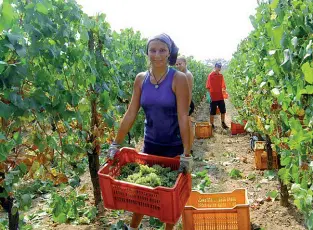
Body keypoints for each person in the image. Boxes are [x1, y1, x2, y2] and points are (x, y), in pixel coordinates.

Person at [107, 33, 193, 230]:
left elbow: (183, 117)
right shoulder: (141, 79)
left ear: (169, 53)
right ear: (147, 52)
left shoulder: (178, 79)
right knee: (142, 196)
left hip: (173, 148)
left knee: (169, 198)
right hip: (150, 146)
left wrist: (186, 154)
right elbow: (130, 114)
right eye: (152, 50)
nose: (157, 54)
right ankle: (133, 228)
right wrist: (115, 143)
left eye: (162, 50)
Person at [175, 56, 194, 152]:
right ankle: (187, 147)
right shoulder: (181, 74)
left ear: (185, 63)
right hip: (182, 103)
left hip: (187, 103)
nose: (178, 66)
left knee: (187, 125)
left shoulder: (187, 75)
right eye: (176, 64)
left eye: (180, 64)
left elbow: (189, 93)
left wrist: (186, 108)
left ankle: (189, 148)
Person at [206, 62, 229, 129]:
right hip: (213, 96)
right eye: (218, 67)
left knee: (223, 110)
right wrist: (208, 95)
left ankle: (223, 123)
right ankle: (212, 124)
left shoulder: (220, 76)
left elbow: (223, 86)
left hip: (220, 96)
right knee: (212, 111)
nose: (219, 68)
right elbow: (208, 86)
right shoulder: (211, 75)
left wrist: (224, 91)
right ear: (215, 67)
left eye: (220, 67)